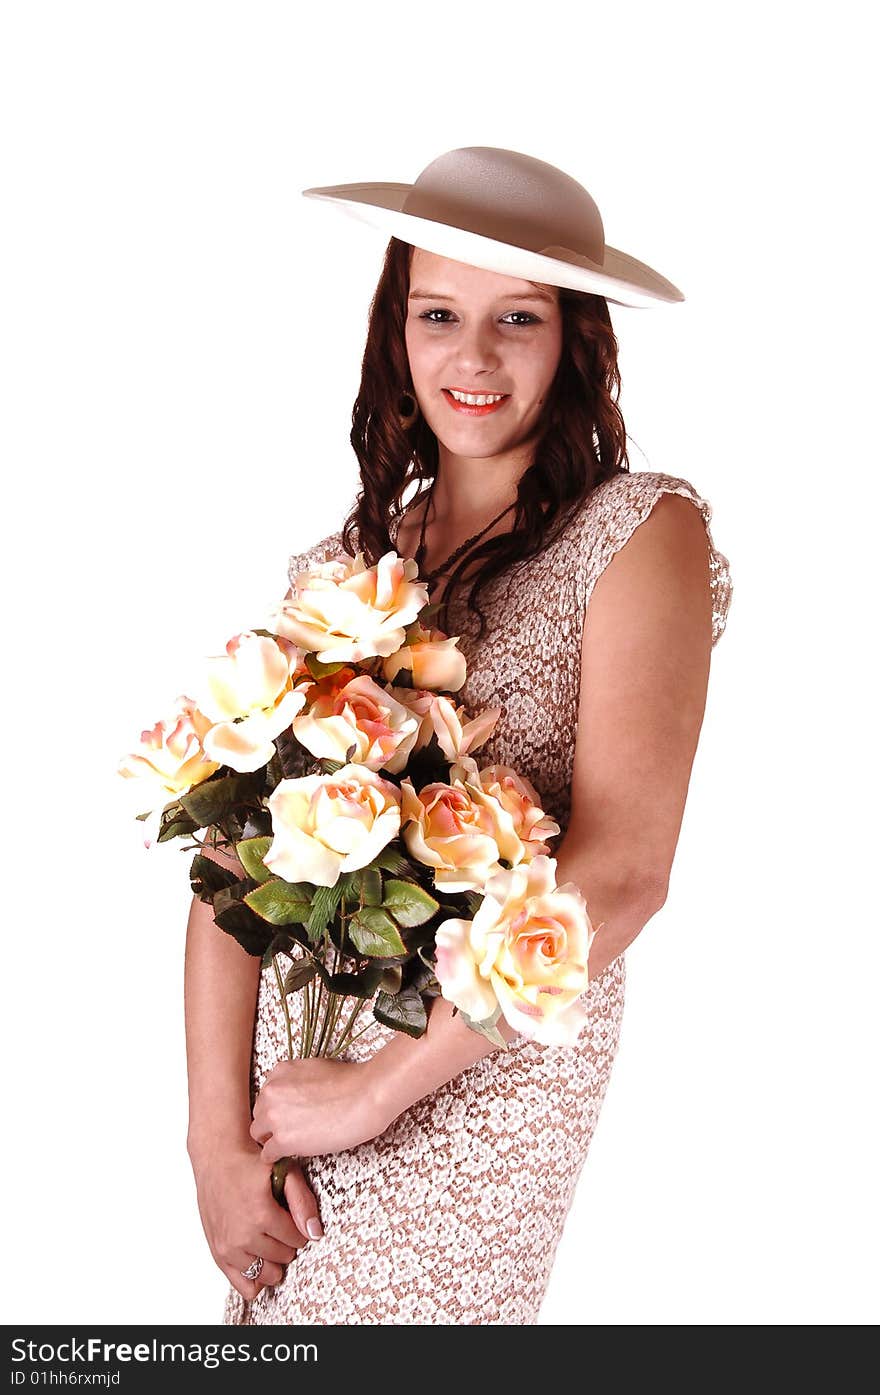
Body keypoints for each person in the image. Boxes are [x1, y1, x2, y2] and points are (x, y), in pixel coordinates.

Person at [184, 147, 734, 1325]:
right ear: (397, 330)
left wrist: (381, 1089)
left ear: (575, 340)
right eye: (439, 313)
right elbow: (231, 866)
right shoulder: (343, 575)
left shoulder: (639, 534)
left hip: (473, 1072)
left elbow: (625, 873)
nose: (471, 358)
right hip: (296, 1072)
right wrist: (212, 1142)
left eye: (516, 320)